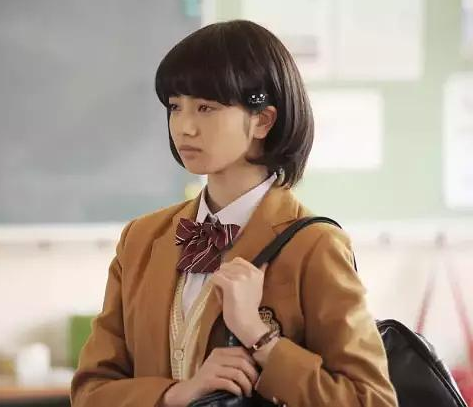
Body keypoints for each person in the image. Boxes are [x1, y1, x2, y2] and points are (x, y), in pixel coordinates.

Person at [70, 20, 398, 407]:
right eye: (175, 107)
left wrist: (261, 338)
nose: (184, 127)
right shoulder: (142, 238)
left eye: (206, 108)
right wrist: (176, 394)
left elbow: (370, 400)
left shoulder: (315, 246)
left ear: (263, 120)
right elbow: (90, 392)